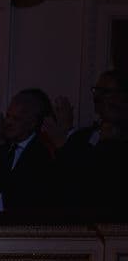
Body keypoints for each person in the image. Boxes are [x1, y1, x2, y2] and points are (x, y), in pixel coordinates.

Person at [53, 70, 128, 210]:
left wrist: (109, 144)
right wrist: (65, 136)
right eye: (96, 91)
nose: (97, 97)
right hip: (78, 222)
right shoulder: (81, 137)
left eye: (105, 92)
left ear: (122, 97)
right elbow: (65, 179)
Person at [0, 88, 54, 211]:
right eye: (8, 116)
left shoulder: (41, 154)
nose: (8, 122)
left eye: (16, 119)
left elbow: (24, 198)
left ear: (32, 123)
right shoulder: (3, 150)